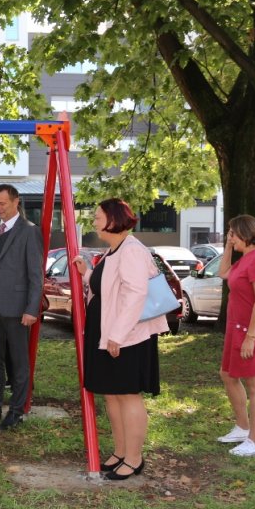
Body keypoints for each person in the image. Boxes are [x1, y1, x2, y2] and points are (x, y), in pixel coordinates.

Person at [71, 198, 166, 480]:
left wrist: (117, 335)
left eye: (98, 216)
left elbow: (136, 294)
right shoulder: (115, 250)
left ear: (113, 219)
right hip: (108, 332)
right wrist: (86, 273)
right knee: (112, 394)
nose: (94, 221)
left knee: (127, 394)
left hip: (127, 336)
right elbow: (110, 289)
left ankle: (135, 458)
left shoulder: (132, 250)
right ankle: (121, 451)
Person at [0, 184, 44, 431]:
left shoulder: (29, 232)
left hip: (17, 308)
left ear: (16, 202)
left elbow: (36, 275)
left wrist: (31, 309)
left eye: (2, 203)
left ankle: (16, 409)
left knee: (18, 360)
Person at [215, 214, 255, 457]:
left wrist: (251, 337)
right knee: (228, 374)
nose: (229, 237)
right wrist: (228, 247)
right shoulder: (246, 258)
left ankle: (254, 441)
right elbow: (223, 273)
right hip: (238, 327)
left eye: (232, 233)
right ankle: (242, 427)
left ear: (245, 232)